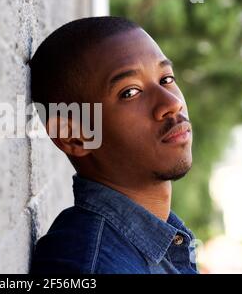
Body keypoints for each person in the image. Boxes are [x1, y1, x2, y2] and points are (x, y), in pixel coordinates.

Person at [29, 16, 198, 274]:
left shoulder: (159, 242)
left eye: (166, 79)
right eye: (130, 92)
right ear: (74, 136)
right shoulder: (92, 266)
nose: (171, 103)